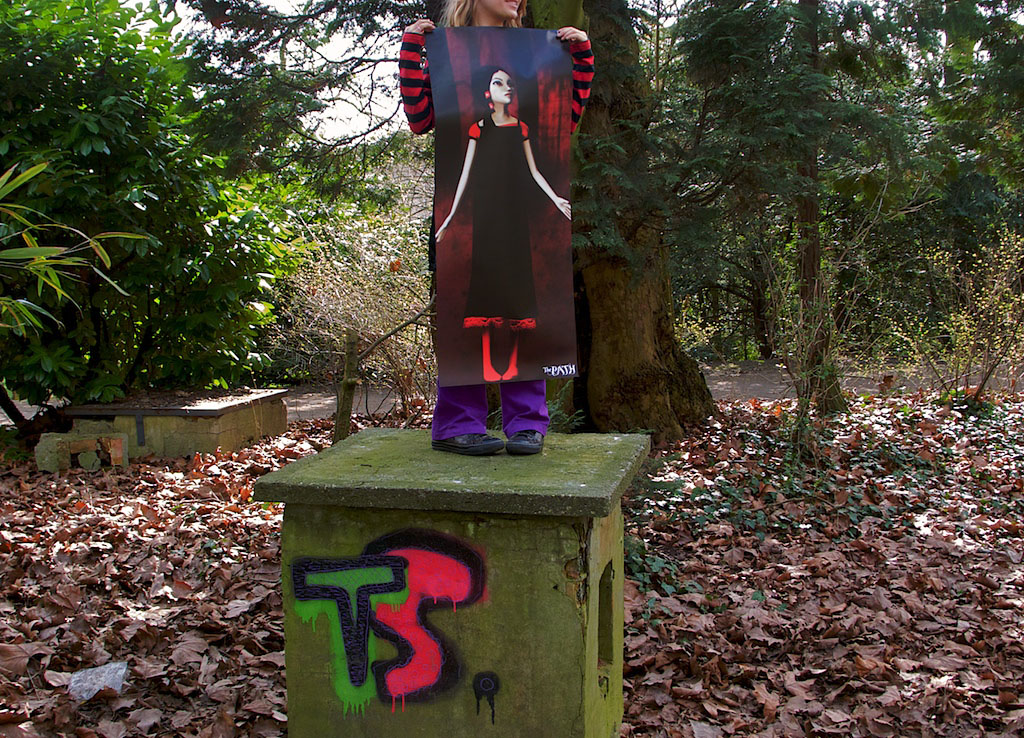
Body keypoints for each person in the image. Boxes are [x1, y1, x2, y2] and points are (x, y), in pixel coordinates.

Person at [400, 0, 594, 456]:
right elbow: (420, 119)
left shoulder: (537, 53)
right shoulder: (445, 52)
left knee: (520, 310)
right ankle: (456, 425)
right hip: (476, 225)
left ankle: (527, 423)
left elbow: (566, 122)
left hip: (517, 220)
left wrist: (580, 57)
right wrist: (413, 50)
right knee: (471, 316)